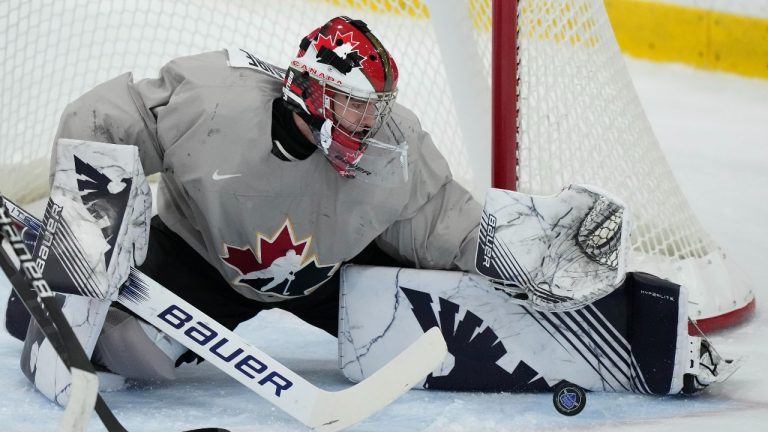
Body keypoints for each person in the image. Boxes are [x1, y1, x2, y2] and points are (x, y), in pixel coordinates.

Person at [43, 16, 482, 380]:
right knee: (126, 350)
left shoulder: (396, 142)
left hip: (332, 276)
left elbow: (439, 215)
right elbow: (103, 119)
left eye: (376, 106)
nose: (370, 122)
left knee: (448, 335)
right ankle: (56, 301)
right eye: (355, 105)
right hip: (200, 260)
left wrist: (508, 254)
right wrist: (89, 223)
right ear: (314, 92)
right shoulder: (212, 101)